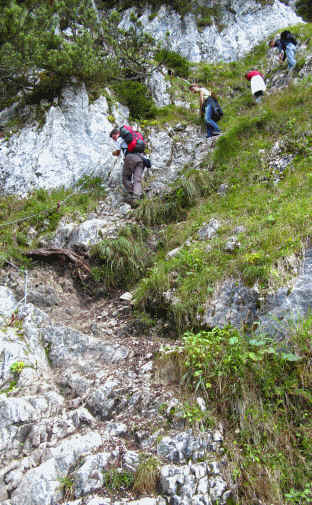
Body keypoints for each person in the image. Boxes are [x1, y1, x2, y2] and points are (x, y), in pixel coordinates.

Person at [110, 127, 145, 202]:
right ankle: (138, 195)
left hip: (130, 158)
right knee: (137, 179)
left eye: (114, 137)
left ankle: (134, 196)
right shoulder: (133, 137)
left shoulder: (120, 139)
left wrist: (113, 153)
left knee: (125, 178)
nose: (114, 140)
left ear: (117, 134)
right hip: (142, 159)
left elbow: (117, 153)